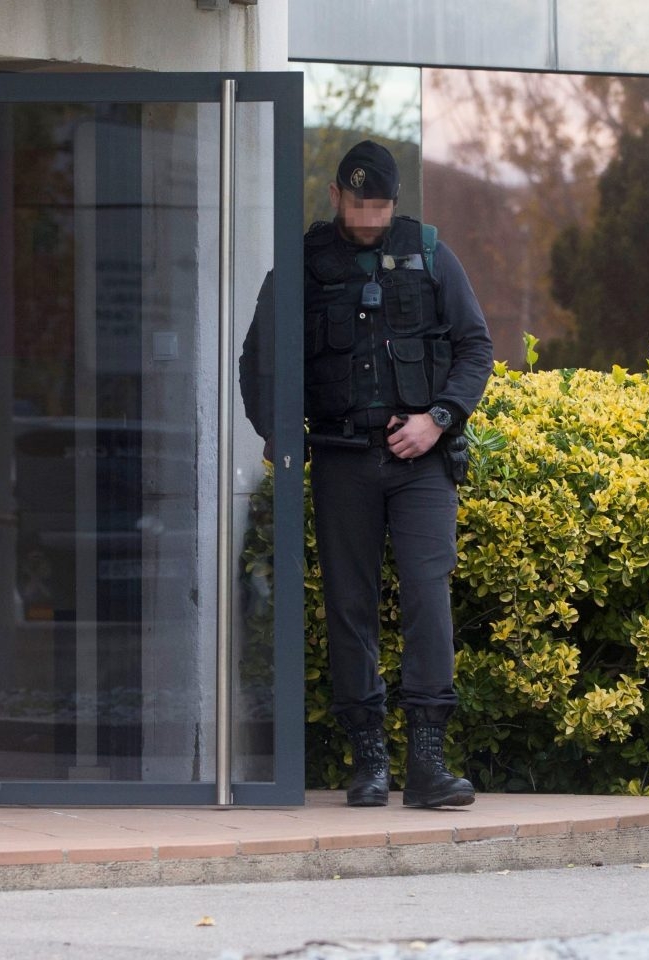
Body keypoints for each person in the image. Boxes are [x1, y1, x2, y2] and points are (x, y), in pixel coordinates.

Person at [240, 140, 493, 807]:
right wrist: (275, 433)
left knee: (426, 598)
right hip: (342, 459)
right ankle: (369, 758)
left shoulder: (431, 253)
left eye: (381, 205)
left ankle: (428, 761)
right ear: (334, 196)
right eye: (359, 205)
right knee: (350, 607)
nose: (371, 218)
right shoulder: (304, 263)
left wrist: (437, 418)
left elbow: (475, 347)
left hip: (421, 463)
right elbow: (257, 356)